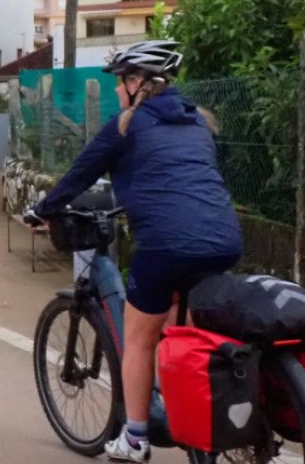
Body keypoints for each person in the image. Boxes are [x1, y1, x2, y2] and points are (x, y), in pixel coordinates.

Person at [29, 40, 242, 462]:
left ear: (139, 83)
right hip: (224, 239)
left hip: (165, 245)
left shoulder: (127, 125)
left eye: (121, 82)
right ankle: (207, 407)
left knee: (139, 337)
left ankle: (136, 438)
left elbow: (78, 174)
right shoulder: (199, 121)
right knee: (192, 325)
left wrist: (42, 210)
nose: (116, 93)